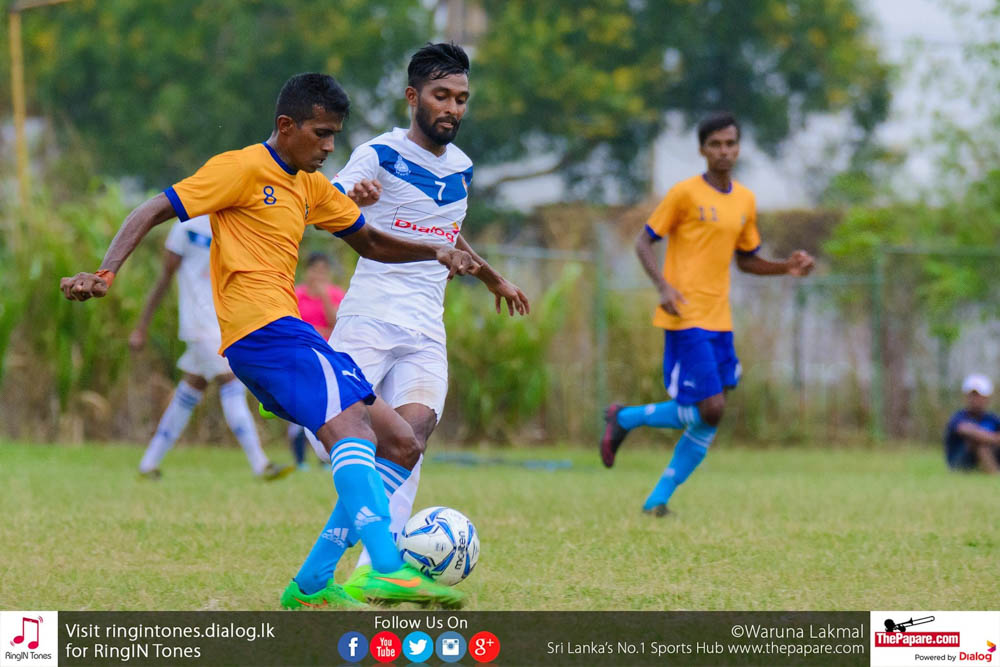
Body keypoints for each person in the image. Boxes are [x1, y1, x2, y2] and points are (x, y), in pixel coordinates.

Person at [60, 72, 480, 609]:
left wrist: (436, 250)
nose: (329, 147)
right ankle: (387, 568)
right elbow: (152, 209)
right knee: (354, 428)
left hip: (286, 332)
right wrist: (105, 272)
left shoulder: (309, 186)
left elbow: (371, 242)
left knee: (401, 443)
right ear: (286, 126)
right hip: (262, 333)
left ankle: (311, 584)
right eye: (321, 134)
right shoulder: (239, 169)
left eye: (335, 136)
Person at [311, 42, 529, 600]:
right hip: (369, 319)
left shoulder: (462, 168)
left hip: (426, 327)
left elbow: (447, 232)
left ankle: (373, 569)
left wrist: (492, 277)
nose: (452, 108)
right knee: (343, 441)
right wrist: (354, 197)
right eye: (441, 95)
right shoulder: (379, 154)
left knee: (410, 440)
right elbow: (325, 202)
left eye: (461, 98)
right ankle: (339, 569)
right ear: (413, 97)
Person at [600, 111, 815, 516]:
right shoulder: (684, 194)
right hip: (685, 315)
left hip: (721, 320)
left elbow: (747, 260)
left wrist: (786, 266)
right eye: (715, 144)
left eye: (730, 143)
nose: (723, 151)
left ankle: (655, 495)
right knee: (711, 407)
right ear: (702, 149)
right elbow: (643, 242)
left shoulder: (744, 200)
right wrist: (663, 286)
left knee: (710, 416)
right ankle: (625, 419)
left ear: (738, 148)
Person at [129, 216, 293, 481]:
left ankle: (149, 464)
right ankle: (261, 464)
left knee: (191, 389)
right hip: (198, 322)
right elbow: (164, 278)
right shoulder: (186, 228)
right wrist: (142, 326)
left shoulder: (235, 224)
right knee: (231, 381)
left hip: (223, 322)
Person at [289, 251, 345, 468]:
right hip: (301, 358)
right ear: (307, 271)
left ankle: (326, 459)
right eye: (315, 270)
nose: (319, 275)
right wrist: (316, 332)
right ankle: (300, 460)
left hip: (328, 359)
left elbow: (336, 324)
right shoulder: (296, 295)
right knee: (300, 407)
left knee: (327, 409)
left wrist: (324, 296)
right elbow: (292, 325)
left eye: (323, 271)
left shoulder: (336, 295)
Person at [944, 373, 1000, 474]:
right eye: (972, 396)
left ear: (987, 398)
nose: (975, 400)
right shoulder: (958, 417)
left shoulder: (993, 419)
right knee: (978, 443)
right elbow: (968, 431)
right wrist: (994, 438)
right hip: (960, 462)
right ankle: (994, 474)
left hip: (991, 455)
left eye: (979, 396)